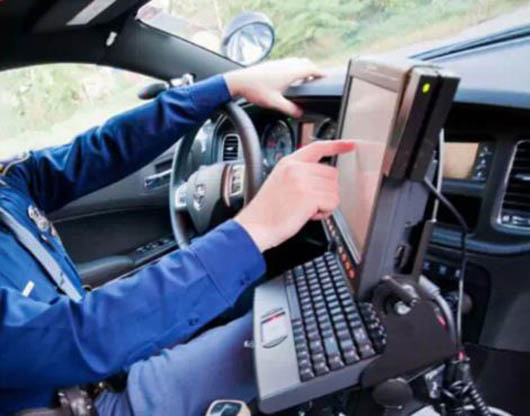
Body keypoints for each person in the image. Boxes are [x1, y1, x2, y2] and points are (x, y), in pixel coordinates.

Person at [0, 58, 355, 416]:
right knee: (308, 328)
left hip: (101, 363)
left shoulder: (5, 183)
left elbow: (99, 151)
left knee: (281, 296)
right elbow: (76, 339)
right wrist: (257, 228)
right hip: (91, 401)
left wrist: (229, 84)